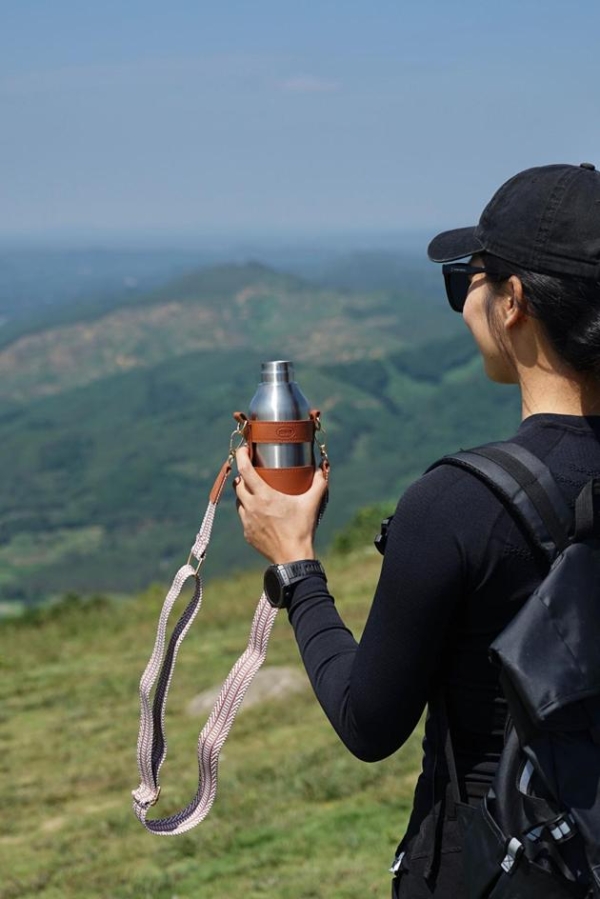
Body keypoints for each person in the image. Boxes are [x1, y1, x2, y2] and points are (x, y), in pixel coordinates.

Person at [233, 162, 600, 897]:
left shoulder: (457, 504)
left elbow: (369, 722)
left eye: (469, 277)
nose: (466, 297)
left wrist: (296, 564)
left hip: (496, 868)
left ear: (514, 301)